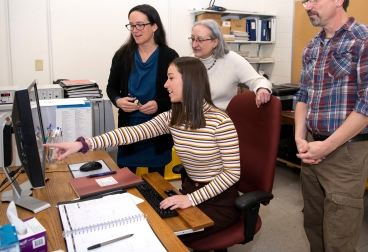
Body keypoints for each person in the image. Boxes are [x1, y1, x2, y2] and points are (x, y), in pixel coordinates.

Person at [49, 57, 241, 245]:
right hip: (189, 191)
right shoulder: (174, 117)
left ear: (190, 80)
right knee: (148, 222)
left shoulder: (220, 122)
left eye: (171, 78)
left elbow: (232, 174)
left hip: (218, 200)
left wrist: (191, 199)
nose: (166, 84)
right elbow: (131, 133)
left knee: (163, 234)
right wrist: (83, 144)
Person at [293, 0, 368, 252]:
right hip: (312, 146)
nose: (308, 5)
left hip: (345, 152)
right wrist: (301, 137)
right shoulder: (312, 46)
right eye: (305, 0)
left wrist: (326, 146)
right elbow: (303, 96)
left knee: (339, 236)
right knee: (314, 226)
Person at [107, 4, 179, 176]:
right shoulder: (122, 55)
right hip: (129, 129)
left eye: (140, 25)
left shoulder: (169, 56)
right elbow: (111, 87)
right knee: (126, 180)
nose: (135, 30)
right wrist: (118, 101)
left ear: (154, 26)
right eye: (132, 25)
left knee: (155, 184)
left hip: (157, 131)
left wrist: (158, 104)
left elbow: (177, 94)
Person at [190, 19, 272, 110]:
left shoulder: (231, 60)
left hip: (221, 121)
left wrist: (262, 89)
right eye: (193, 39)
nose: (194, 45)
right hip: (193, 119)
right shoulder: (188, 62)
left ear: (215, 42)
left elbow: (260, 80)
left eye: (200, 40)